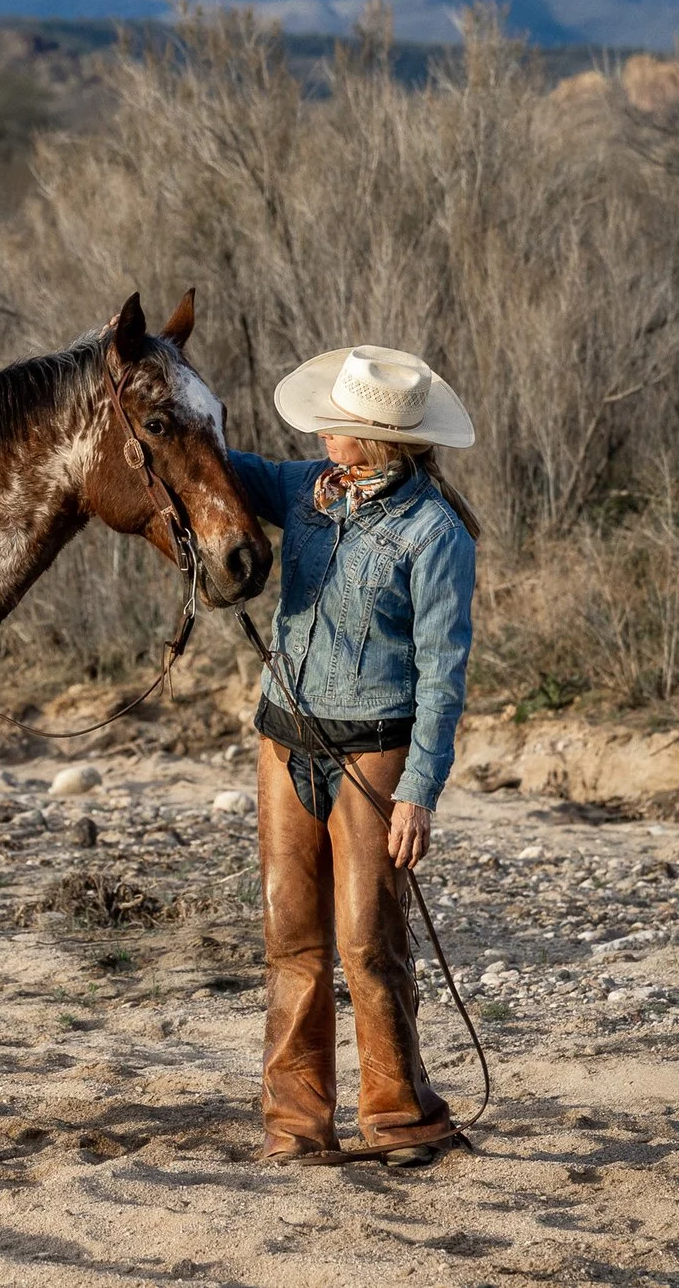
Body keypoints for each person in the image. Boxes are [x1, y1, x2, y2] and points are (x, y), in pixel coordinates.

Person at [227, 343, 480, 1168]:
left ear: (377, 441)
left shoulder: (434, 534)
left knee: (368, 939)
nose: (326, 436)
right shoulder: (302, 491)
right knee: (289, 935)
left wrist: (420, 791)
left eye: (341, 428)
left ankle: (402, 1118)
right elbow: (223, 466)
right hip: (283, 743)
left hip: (374, 755)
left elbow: (443, 673)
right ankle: (296, 1125)